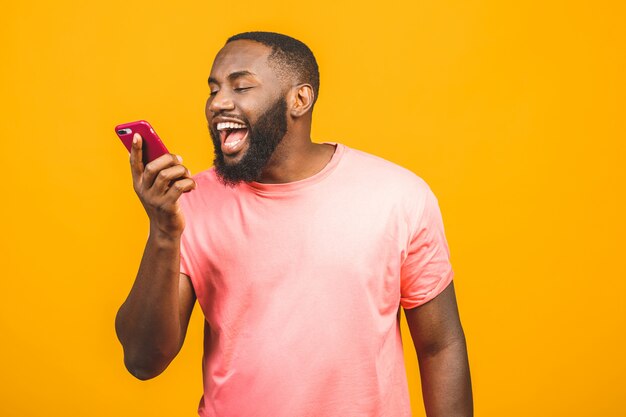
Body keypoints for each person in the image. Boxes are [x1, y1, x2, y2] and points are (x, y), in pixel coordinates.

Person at [115, 31, 473, 417]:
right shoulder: (191, 202)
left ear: (299, 99)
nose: (218, 103)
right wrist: (164, 233)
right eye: (213, 89)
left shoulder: (399, 196)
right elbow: (143, 360)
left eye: (240, 86)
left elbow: (440, 346)